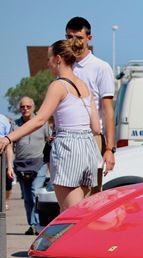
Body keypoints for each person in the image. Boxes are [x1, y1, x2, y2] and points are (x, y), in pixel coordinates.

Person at [0, 39, 101, 214]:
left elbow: (39, 120)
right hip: (88, 147)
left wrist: (9, 137)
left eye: (49, 59)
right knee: (78, 209)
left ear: (58, 59)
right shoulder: (84, 86)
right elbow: (96, 128)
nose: (48, 64)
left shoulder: (58, 85)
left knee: (69, 214)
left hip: (68, 147)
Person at [65, 17, 116, 191]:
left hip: (91, 137)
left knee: (90, 195)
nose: (73, 42)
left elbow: (108, 110)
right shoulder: (65, 67)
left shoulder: (100, 68)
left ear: (89, 39)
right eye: (69, 37)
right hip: (68, 138)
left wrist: (109, 148)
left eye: (79, 38)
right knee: (68, 193)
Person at [8, 98, 52, 234]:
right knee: (27, 198)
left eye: (28, 106)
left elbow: (49, 141)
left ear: (33, 107)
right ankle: (32, 224)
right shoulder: (15, 124)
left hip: (39, 163)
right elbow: (10, 145)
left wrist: (51, 166)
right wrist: (9, 166)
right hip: (21, 165)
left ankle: (38, 224)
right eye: (22, 106)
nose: (25, 108)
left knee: (35, 193)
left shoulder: (41, 123)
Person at [1, 114, 11, 210]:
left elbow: (9, 145)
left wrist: (10, 166)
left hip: (2, 162)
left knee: (6, 186)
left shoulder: (3, 120)